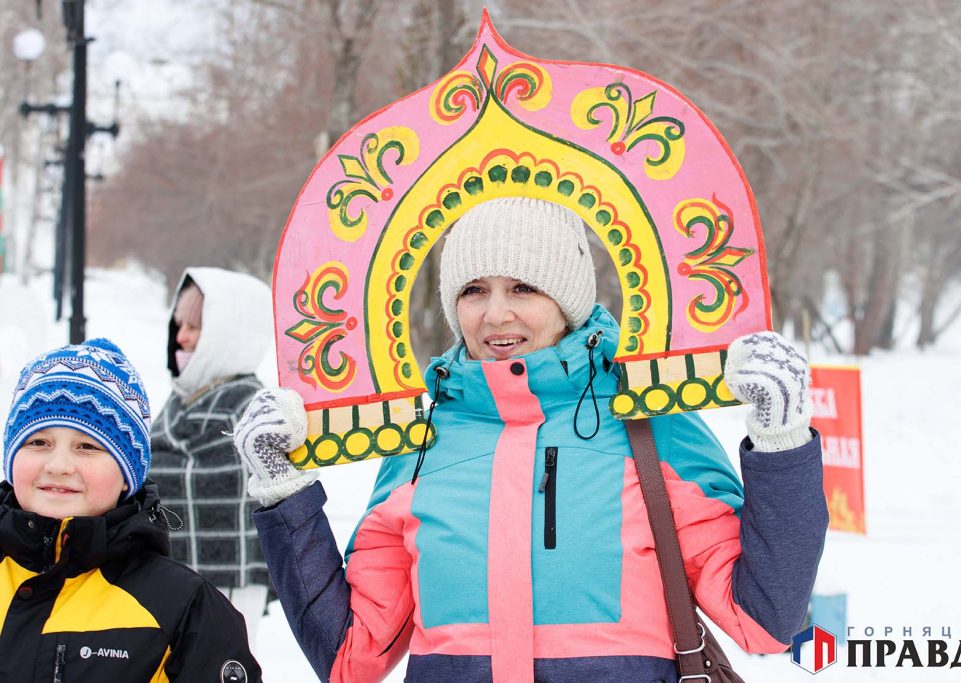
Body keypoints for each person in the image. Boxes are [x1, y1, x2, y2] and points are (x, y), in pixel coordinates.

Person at [235, 198, 828, 682]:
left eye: (523, 287)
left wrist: (782, 444)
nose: (495, 315)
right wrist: (283, 495)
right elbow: (348, 657)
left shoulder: (648, 421)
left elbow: (765, 618)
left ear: (566, 299)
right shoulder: (421, 441)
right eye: (473, 290)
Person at [0, 338, 260, 682]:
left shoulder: (185, 608)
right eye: (38, 442)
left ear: (127, 475)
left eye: (87, 446)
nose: (59, 464)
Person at [149, 267, 274, 643]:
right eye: (178, 325)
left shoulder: (252, 407)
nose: (181, 337)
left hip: (229, 580)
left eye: (195, 327)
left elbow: (257, 487)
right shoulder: (179, 401)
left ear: (229, 334)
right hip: (166, 571)